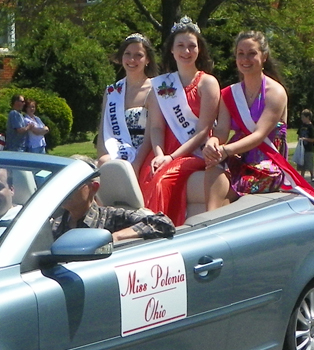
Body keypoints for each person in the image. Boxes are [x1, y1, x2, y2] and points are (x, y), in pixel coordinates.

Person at [137, 16, 220, 226]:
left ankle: (160, 231)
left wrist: (171, 157)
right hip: (164, 151)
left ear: (199, 49)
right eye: (180, 46)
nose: (186, 51)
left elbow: (203, 132)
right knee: (147, 174)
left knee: (162, 179)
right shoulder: (162, 85)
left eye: (192, 46)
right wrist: (159, 155)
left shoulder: (207, 83)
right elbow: (156, 127)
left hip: (195, 153)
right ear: (172, 51)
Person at [202, 30, 288, 211]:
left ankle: (215, 223)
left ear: (264, 56)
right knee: (213, 167)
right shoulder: (229, 94)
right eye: (240, 54)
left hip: (267, 162)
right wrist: (213, 142)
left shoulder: (275, 92)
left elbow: (259, 135)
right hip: (238, 157)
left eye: (252, 54)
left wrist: (226, 150)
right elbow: (222, 132)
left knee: (235, 189)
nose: (245, 59)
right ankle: (211, 220)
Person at [52, 156, 175, 242]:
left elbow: (163, 223)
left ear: (93, 188)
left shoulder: (111, 218)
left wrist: (114, 238)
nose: (65, 190)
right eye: (62, 183)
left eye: (73, 184)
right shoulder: (53, 225)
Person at [96, 33, 159, 171]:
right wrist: (102, 156)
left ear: (147, 59)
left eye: (138, 55)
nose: (132, 59)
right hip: (117, 154)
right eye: (127, 54)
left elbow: (153, 134)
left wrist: (136, 164)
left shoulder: (155, 89)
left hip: (145, 156)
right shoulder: (112, 92)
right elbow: (103, 131)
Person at [297, 109, 314, 182]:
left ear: (308, 117)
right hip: (302, 148)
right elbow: (299, 134)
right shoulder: (301, 126)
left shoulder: (311, 127)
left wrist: (305, 139)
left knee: (309, 162)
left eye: (303, 117)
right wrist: (299, 139)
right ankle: (302, 177)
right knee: (302, 163)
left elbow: (313, 139)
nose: (302, 119)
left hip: (309, 148)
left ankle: (312, 176)